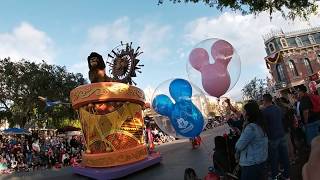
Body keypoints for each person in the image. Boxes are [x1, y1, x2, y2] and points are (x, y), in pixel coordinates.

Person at [235, 101, 268, 180]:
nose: (243, 113)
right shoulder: (260, 124)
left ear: (249, 113)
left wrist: (243, 130)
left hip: (251, 164)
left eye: (244, 111)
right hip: (261, 160)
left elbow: (239, 146)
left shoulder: (250, 128)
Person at [262, 93, 290, 180]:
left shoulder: (264, 111)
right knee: (285, 156)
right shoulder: (278, 108)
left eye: (263, 100)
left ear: (265, 100)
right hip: (281, 135)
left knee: (274, 159)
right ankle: (287, 175)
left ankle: (275, 177)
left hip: (272, 138)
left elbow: (264, 125)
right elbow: (281, 118)